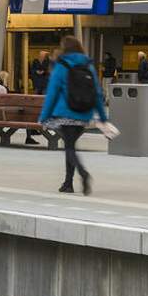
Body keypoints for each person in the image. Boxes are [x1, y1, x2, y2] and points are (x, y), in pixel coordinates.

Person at [38, 36, 107, 195]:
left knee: (69, 148)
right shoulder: (88, 65)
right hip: (83, 114)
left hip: (66, 112)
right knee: (70, 147)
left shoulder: (61, 65)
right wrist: (102, 116)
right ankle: (68, 183)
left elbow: (52, 93)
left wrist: (44, 116)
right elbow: (96, 92)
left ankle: (83, 174)